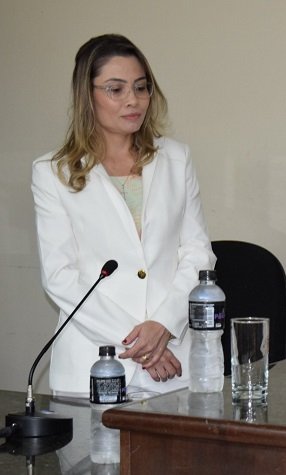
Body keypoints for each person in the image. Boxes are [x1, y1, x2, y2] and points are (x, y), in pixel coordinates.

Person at [31, 34, 215, 397]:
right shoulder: (52, 172)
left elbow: (198, 254)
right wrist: (140, 344)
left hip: (174, 360)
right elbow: (60, 277)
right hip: (94, 363)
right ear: (87, 96)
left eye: (141, 87)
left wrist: (163, 325)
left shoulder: (176, 159)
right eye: (116, 89)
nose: (133, 100)